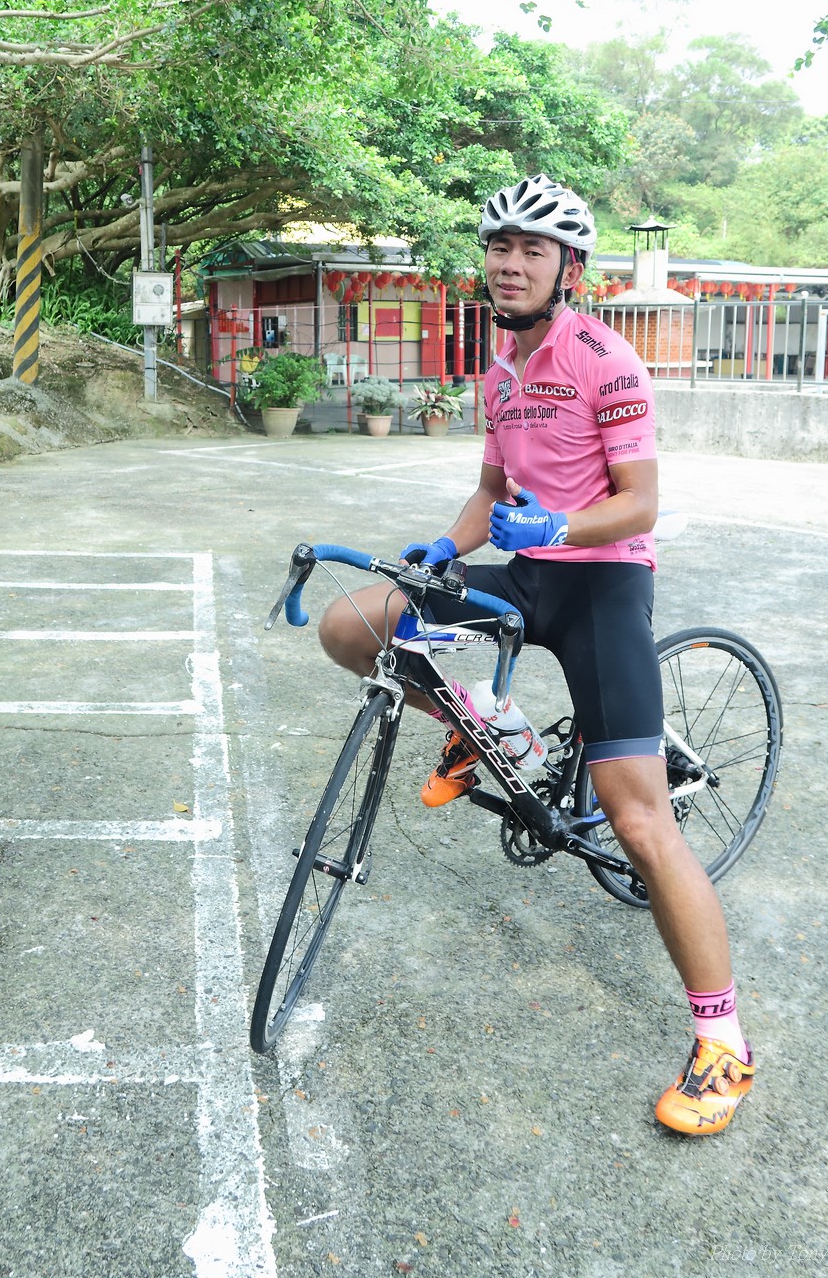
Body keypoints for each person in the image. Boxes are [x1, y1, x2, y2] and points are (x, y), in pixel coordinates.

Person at [318, 176, 754, 1136]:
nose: (510, 264)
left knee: (637, 820)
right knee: (353, 626)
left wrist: (560, 522)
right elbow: (489, 494)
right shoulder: (500, 371)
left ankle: (724, 1042)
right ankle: (496, 723)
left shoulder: (606, 359)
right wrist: (447, 545)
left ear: (569, 269)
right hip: (523, 576)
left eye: (532, 250)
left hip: (602, 584)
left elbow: (639, 501)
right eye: (499, 246)